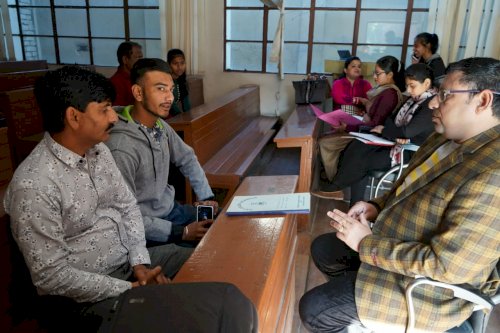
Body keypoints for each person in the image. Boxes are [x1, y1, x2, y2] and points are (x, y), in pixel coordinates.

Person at [3, 66, 258, 332]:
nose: (114, 117)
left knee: (215, 263)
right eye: (104, 110)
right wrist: (132, 287)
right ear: (73, 117)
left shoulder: (98, 151)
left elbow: (127, 207)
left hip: (130, 263)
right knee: (186, 317)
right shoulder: (35, 185)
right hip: (86, 297)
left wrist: (140, 264)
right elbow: (51, 277)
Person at [299, 57, 500, 333]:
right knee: (325, 248)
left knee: (315, 310)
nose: (432, 103)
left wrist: (366, 245)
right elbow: (408, 189)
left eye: (444, 95)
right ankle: (362, 302)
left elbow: (448, 267)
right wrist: (374, 206)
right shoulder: (445, 137)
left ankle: (364, 309)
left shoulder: (493, 174)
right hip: (400, 244)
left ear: (483, 100)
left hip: (431, 293)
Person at [106, 58, 217, 246]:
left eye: (171, 89)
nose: (170, 98)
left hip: (172, 211)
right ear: (138, 92)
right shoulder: (121, 147)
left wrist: (206, 197)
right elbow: (127, 217)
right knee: (203, 256)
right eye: (160, 89)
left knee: (221, 221)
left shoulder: (159, 125)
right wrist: (181, 232)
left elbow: (187, 158)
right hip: (149, 229)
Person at [314, 63, 436, 204]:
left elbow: (406, 131)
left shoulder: (429, 106)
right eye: (407, 86)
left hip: (408, 153)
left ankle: (338, 188)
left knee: (362, 160)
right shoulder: (412, 100)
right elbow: (391, 120)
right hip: (395, 142)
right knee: (358, 146)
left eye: (412, 86)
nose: (408, 90)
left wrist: (390, 131)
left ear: (427, 83)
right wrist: (395, 132)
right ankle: (348, 197)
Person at [315, 55, 404, 196]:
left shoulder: (389, 94)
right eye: (374, 73)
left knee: (326, 143)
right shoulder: (382, 90)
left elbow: (376, 123)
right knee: (326, 139)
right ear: (345, 70)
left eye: (378, 73)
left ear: (390, 74)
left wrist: (349, 126)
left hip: (371, 135)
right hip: (364, 128)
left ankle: (336, 184)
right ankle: (335, 180)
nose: (374, 76)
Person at [110, 41, 143, 106]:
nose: (141, 61)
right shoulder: (115, 82)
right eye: (138, 58)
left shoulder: (140, 76)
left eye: (141, 57)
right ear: (125, 59)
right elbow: (119, 111)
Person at [167, 48, 191, 117]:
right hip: (163, 118)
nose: (179, 67)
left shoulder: (181, 80)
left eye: (182, 63)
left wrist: (189, 116)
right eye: (175, 63)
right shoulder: (166, 81)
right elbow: (172, 105)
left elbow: (186, 105)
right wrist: (181, 118)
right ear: (169, 64)